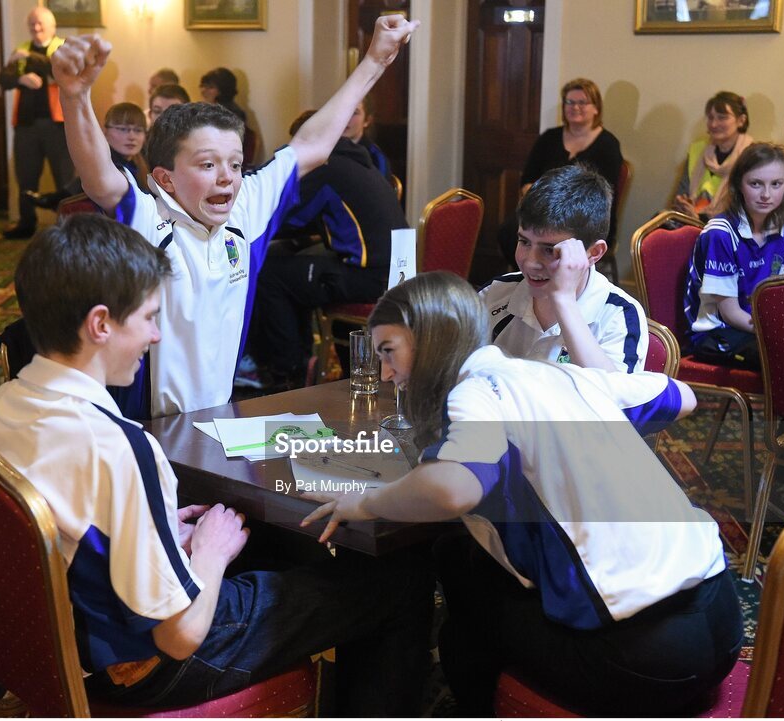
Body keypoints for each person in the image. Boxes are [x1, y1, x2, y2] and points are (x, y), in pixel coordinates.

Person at [0, 214, 433, 716]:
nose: (156, 336)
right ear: (101, 324)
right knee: (394, 582)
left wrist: (160, 531)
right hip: (144, 667)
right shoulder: (121, 448)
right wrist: (208, 555)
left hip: (56, 642)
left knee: (283, 549)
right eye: (150, 317)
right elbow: (181, 636)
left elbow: (66, 526)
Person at [301, 271, 742, 717]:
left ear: (431, 342)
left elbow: (454, 489)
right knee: (484, 558)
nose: (385, 372)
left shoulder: (475, 393)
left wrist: (366, 501)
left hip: (646, 659)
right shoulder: (561, 375)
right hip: (724, 621)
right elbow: (682, 396)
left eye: (389, 352)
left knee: (461, 586)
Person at [52, 13, 420, 418]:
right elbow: (100, 177)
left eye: (235, 163)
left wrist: (375, 60)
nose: (227, 178)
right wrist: (75, 95)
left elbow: (311, 145)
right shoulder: (147, 219)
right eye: (208, 165)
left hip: (217, 416)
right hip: (148, 423)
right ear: (165, 179)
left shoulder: (247, 209)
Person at [244, 109, 408, 388]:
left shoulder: (326, 169)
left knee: (270, 273)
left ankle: (287, 369)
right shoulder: (358, 160)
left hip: (369, 277)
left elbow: (289, 216)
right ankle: (303, 357)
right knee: (288, 265)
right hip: (396, 270)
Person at [481, 165, 647, 372]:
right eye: (524, 242)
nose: (530, 262)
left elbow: (612, 396)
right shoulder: (494, 295)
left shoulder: (618, 315)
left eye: (550, 250)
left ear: (594, 253)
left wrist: (564, 300)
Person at [684, 142, 784, 369]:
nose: (766, 194)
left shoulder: (780, 229)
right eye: (755, 184)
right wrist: (778, 333)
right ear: (738, 185)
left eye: (776, 184)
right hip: (716, 334)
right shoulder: (721, 234)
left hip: (753, 326)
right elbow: (730, 313)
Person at [497, 78, 623, 268]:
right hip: (542, 212)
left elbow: (603, 195)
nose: (575, 107)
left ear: (596, 108)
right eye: (569, 102)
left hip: (584, 218)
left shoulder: (608, 145)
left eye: (582, 102)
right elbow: (528, 180)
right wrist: (538, 201)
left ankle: (555, 283)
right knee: (509, 230)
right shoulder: (549, 138)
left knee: (556, 239)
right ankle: (529, 277)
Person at [0, 5, 74, 239]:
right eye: (32, 24)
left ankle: (69, 225)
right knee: (26, 176)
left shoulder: (62, 46)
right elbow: (3, 79)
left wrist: (29, 58)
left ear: (52, 26)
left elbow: (57, 68)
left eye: (40, 24)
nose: (36, 28)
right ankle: (26, 223)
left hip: (57, 125)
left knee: (65, 178)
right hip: (26, 125)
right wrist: (21, 78)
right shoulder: (21, 49)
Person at [28, 102, 149, 210]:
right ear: (105, 131)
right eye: (123, 129)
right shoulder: (104, 163)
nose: (132, 137)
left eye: (138, 130)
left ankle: (57, 197)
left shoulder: (144, 163)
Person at [673, 91, 753, 222]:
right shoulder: (697, 149)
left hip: (724, 229)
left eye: (722, 117)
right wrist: (683, 205)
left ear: (741, 120)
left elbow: (745, 210)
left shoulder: (751, 157)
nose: (714, 124)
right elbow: (681, 194)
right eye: (710, 118)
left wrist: (700, 219)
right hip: (688, 220)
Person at [343, 97, 390, 178]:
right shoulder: (326, 150)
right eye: (342, 111)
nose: (346, 118)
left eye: (354, 112)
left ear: (367, 121)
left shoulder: (375, 157)